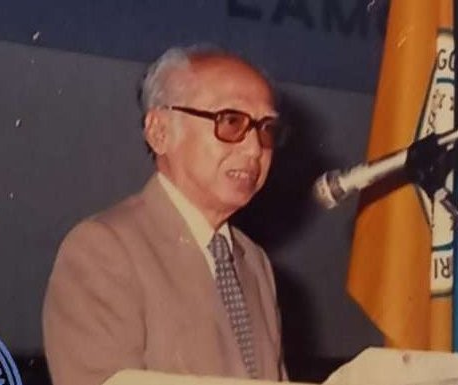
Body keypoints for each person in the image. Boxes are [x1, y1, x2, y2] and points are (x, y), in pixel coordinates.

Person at [42, 45, 287, 385]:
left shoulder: (254, 261)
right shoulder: (103, 248)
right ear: (159, 132)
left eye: (265, 130)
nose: (254, 149)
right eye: (231, 122)